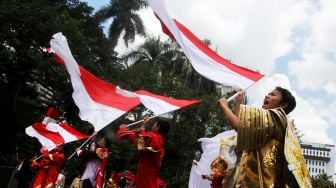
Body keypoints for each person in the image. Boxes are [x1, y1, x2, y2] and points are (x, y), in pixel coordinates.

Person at [217, 87, 312, 187]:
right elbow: (242, 124)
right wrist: (238, 101)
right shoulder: (271, 122)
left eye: (272, 95)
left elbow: (239, 127)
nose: (267, 96)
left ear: (283, 105)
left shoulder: (277, 116)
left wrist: (224, 106)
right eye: (268, 94)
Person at [116, 116, 170, 188]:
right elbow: (143, 137)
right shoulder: (159, 140)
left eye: (154, 124)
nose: (152, 125)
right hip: (146, 177)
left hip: (146, 180)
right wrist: (143, 124)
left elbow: (139, 142)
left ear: (158, 127)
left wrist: (124, 130)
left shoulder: (155, 139)